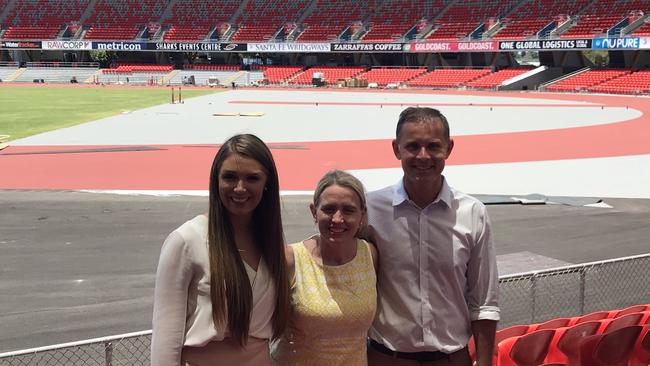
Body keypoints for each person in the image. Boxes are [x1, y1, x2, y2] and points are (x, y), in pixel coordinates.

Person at [366, 107, 500, 366]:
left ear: (449, 148)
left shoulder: (472, 213)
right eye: (413, 146)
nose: (423, 156)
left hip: (451, 358)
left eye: (433, 146)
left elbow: (484, 301)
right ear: (396, 149)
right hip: (386, 358)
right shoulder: (371, 210)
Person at [151, 134, 289, 366]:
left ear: (267, 183)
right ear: (216, 180)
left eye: (252, 178)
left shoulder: (271, 242)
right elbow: (165, 340)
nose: (239, 188)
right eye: (230, 177)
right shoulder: (186, 241)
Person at [271, 170, 378, 366]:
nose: (337, 219)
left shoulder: (369, 255)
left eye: (348, 210)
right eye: (329, 209)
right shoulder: (291, 260)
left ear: (362, 213)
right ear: (314, 211)